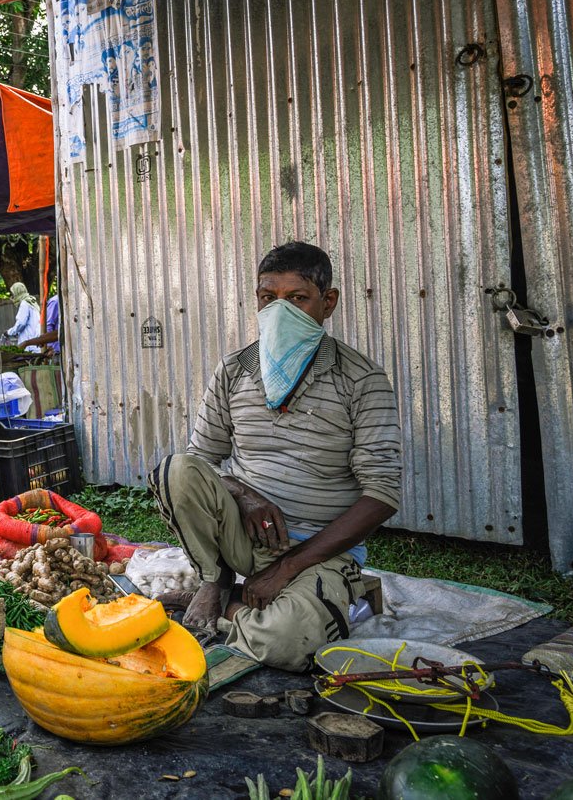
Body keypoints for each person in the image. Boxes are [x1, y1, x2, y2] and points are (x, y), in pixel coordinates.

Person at [150, 242, 401, 671]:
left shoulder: (362, 380)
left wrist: (287, 569)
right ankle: (216, 580)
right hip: (243, 541)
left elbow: (382, 495)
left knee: (286, 642)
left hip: (318, 550)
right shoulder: (234, 371)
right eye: (269, 299)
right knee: (174, 470)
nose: (279, 311)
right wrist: (242, 492)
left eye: (297, 298)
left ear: (329, 302)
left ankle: (227, 608)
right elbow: (200, 461)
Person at [19, 289, 60, 356]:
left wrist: (48, 344)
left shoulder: (56, 302)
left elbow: (57, 332)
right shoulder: (56, 302)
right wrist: (42, 340)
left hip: (57, 349)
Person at [5, 282, 42, 352]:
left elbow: (21, 323)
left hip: (30, 345)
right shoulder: (32, 302)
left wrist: (9, 332)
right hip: (35, 343)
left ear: (17, 293)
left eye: (13, 294)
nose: (12, 297)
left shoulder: (25, 303)